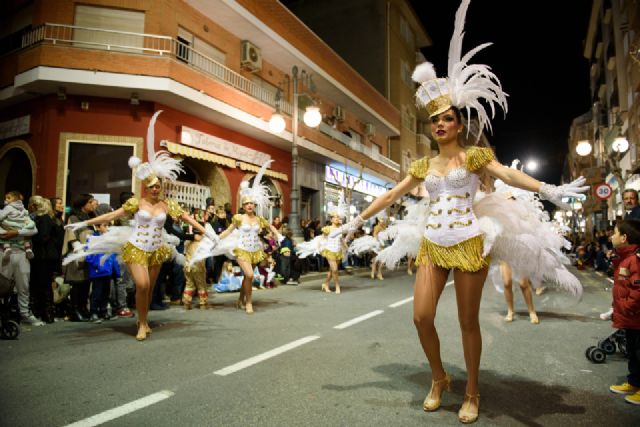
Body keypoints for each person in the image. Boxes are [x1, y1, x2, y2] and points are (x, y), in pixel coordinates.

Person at [333, 2, 586, 422]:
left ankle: (471, 389)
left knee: (469, 322)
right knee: (420, 317)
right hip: (434, 243)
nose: (440, 124)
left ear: (458, 122)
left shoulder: (473, 158)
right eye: (435, 120)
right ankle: (439, 377)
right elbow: (391, 196)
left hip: (469, 242)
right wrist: (355, 221)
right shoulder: (423, 166)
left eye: (447, 118)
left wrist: (549, 188)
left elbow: (506, 174)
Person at [64, 111, 214, 340]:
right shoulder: (137, 202)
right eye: (152, 185)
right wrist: (83, 222)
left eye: (158, 185)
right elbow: (112, 215)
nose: (156, 188)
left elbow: (188, 218)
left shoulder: (167, 205)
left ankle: (142, 319)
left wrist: (209, 234)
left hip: (156, 249)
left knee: (150, 288)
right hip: (136, 247)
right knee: (141, 285)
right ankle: (141, 323)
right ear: (146, 185)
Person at [213, 168, 284, 314]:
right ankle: (249, 302)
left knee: (247, 276)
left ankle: (240, 299)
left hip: (254, 251)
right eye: (246, 204)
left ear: (254, 205)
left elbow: (270, 226)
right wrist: (216, 238)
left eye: (251, 203)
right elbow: (228, 230)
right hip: (242, 250)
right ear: (243, 206)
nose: (249, 205)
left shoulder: (259, 219)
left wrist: (278, 234)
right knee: (250, 275)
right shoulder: (239, 218)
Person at [606, 219, 640, 405]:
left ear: (624, 237)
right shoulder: (625, 257)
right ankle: (634, 383)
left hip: (636, 315)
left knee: (639, 352)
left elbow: (638, 290)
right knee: (633, 353)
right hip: (631, 318)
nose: (612, 236)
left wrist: (626, 307)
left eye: (615, 232)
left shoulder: (635, 259)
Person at [0, 190, 40, 325]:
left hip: (23, 253)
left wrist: (15, 232)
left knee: (23, 286)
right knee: (2, 285)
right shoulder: (5, 212)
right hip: (5, 253)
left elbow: (33, 230)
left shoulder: (23, 213)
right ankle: (3, 315)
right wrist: (13, 233)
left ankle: (24, 314)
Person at [62, 193, 97, 322]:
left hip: (90, 254)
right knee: (77, 283)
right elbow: (71, 234)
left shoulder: (92, 218)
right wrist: (77, 246)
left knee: (86, 283)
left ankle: (83, 308)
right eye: (90, 202)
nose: (93, 204)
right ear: (83, 204)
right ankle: (74, 310)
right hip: (78, 254)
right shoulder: (73, 218)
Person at [28, 196, 59, 324]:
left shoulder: (44, 219)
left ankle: (46, 313)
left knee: (43, 285)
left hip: (43, 256)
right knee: (41, 285)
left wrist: (30, 239)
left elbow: (43, 237)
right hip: (43, 256)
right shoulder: (44, 218)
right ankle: (44, 312)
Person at [86, 222, 120, 323]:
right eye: (104, 226)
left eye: (108, 225)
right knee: (97, 292)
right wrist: (98, 265)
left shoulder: (109, 239)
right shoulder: (92, 239)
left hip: (108, 271)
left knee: (106, 292)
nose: (107, 228)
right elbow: (89, 255)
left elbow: (113, 256)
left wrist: (116, 271)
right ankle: (93, 313)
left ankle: (103, 311)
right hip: (98, 271)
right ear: (97, 227)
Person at [1, 191, 35, 262]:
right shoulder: (22, 208)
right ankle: (28, 248)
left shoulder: (9, 207)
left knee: (4, 237)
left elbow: (1, 215)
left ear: (14, 199)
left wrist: (16, 232)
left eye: (8, 198)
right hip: (21, 226)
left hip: (10, 227)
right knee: (26, 238)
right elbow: (26, 214)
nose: (6, 200)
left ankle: (6, 248)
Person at [182, 228, 208, 310]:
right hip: (198, 266)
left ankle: (187, 301)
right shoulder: (202, 242)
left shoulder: (187, 242)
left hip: (187, 266)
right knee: (201, 284)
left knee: (189, 283)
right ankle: (202, 302)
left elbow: (184, 253)